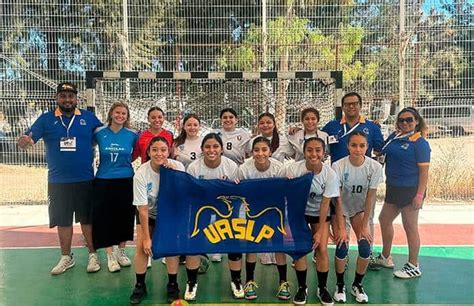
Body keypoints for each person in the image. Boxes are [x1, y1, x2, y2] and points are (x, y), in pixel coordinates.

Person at [17, 82, 103, 275]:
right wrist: (24, 141)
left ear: (76, 99)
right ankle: (66, 257)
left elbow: (105, 137)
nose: (67, 100)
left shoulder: (89, 118)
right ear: (57, 98)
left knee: (87, 219)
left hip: (85, 180)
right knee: (63, 221)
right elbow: (29, 138)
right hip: (58, 181)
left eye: (70, 96)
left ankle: (93, 255)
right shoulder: (46, 119)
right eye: (63, 96)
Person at [129, 137, 200, 304]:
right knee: (141, 247)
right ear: (148, 152)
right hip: (149, 214)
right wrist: (147, 238)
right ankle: (140, 285)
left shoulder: (178, 167)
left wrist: (173, 173)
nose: (159, 153)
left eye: (163, 150)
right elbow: (143, 209)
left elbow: (183, 196)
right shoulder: (141, 174)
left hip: (171, 214)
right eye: (154, 150)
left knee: (171, 247)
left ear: (169, 152)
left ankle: (173, 284)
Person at [322, 92, 384, 268]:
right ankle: (344, 252)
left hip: (362, 183)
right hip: (339, 183)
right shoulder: (332, 126)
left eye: (355, 103)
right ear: (342, 107)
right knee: (340, 219)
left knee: (367, 218)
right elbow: (315, 138)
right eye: (347, 104)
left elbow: (381, 149)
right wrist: (297, 130)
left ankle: (368, 252)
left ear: (360, 105)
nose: (351, 106)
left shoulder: (371, 127)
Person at [280, 137, 345, 305]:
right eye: (309, 150)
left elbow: (325, 204)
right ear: (304, 152)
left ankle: (322, 288)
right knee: (300, 249)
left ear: (324, 153)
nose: (313, 154)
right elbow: (284, 193)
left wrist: (319, 232)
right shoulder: (293, 169)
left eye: (318, 150)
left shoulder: (329, 174)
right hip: (299, 213)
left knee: (322, 249)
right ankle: (302, 287)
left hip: (319, 214)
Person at [187, 133, 244, 299]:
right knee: (195, 241)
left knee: (233, 242)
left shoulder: (231, 167)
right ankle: (191, 283)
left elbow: (237, 193)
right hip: (201, 208)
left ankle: (236, 280)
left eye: (215, 146)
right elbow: (190, 193)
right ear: (202, 149)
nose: (211, 150)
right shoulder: (194, 168)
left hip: (225, 208)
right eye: (207, 147)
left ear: (221, 149)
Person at [375, 107, 430, 279]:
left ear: (416, 122)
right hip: (393, 187)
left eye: (409, 120)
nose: (405, 123)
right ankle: (385, 257)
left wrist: (419, 196)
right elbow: (380, 152)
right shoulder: (394, 137)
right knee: (384, 219)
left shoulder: (420, 143)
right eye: (401, 120)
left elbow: (424, 173)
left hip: (410, 190)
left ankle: (414, 265)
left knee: (410, 227)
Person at [331, 131, 383, 303]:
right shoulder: (338, 166)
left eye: (362, 145)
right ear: (347, 146)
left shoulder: (374, 167)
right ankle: (340, 285)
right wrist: (340, 225)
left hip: (361, 211)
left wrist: (365, 224)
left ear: (367, 147)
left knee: (365, 247)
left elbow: (371, 196)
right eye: (354, 145)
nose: (358, 149)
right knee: (342, 245)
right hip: (341, 210)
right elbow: (337, 198)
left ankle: (357, 285)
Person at [237, 137, 291, 301]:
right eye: (256, 150)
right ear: (252, 152)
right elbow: (239, 191)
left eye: (264, 150)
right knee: (253, 244)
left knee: (278, 245)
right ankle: (250, 281)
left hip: (275, 210)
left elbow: (284, 191)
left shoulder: (279, 168)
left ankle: (283, 281)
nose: (260, 153)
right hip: (253, 211)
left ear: (270, 151)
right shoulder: (244, 168)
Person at [92, 102, 138, 272]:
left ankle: (121, 251)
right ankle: (110, 255)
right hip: (104, 180)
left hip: (126, 179)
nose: (120, 116)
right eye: (117, 112)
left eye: (124, 113)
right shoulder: (99, 132)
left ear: (127, 116)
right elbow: (87, 147)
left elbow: (136, 154)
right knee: (105, 217)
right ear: (111, 113)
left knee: (124, 216)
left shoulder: (132, 134)